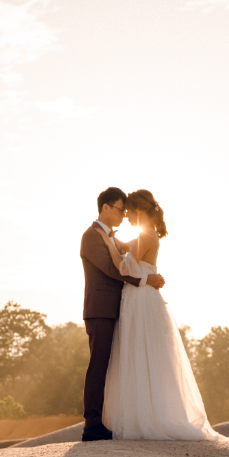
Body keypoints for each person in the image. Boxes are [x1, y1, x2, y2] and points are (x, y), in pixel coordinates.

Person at [92, 189, 229, 442]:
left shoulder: (145, 236)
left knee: (139, 353)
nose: (126, 217)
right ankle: (147, 413)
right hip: (142, 298)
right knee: (145, 355)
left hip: (140, 300)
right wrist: (117, 244)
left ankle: (144, 418)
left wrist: (107, 243)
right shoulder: (148, 236)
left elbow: (124, 266)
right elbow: (129, 250)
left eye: (129, 213)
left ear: (139, 211)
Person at [79, 187, 167, 442]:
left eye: (127, 210)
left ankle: (114, 419)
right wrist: (145, 279)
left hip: (119, 307)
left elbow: (124, 255)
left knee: (117, 364)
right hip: (101, 309)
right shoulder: (92, 236)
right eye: (120, 209)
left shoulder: (114, 237)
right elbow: (112, 269)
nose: (123, 214)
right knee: (99, 364)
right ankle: (92, 424)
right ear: (106, 207)